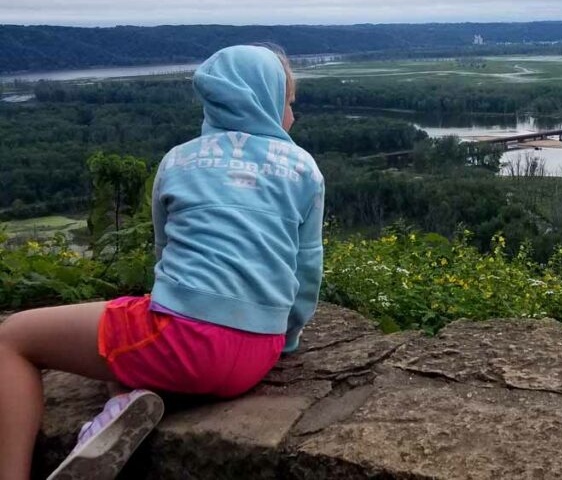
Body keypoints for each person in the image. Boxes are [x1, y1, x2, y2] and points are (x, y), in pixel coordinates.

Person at [0, 44, 325, 480]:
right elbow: (306, 271)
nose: (291, 115)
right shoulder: (304, 169)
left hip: (183, 341)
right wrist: (286, 340)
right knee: (124, 334)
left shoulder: (178, 160)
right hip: (257, 354)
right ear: (263, 100)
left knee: (11, 338)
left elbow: (165, 258)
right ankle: (121, 407)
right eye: (288, 103)